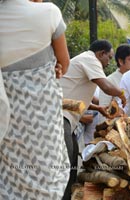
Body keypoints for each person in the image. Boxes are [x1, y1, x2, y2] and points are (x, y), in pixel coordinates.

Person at [0, 0, 70, 199]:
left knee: (9, 180)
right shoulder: (48, 12)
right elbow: (64, 64)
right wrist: (52, 66)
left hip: (7, 123)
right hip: (42, 122)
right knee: (47, 177)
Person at [59, 39, 126, 199]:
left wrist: (99, 108)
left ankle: (68, 196)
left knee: (73, 158)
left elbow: (77, 99)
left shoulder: (86, 61)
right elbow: (106, 86)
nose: (109, 62)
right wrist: (122, 94)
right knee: (65, 163)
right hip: (59, 118)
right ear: (101, 53)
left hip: (66, 117)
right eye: (109, 57)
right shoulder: (90, 59)